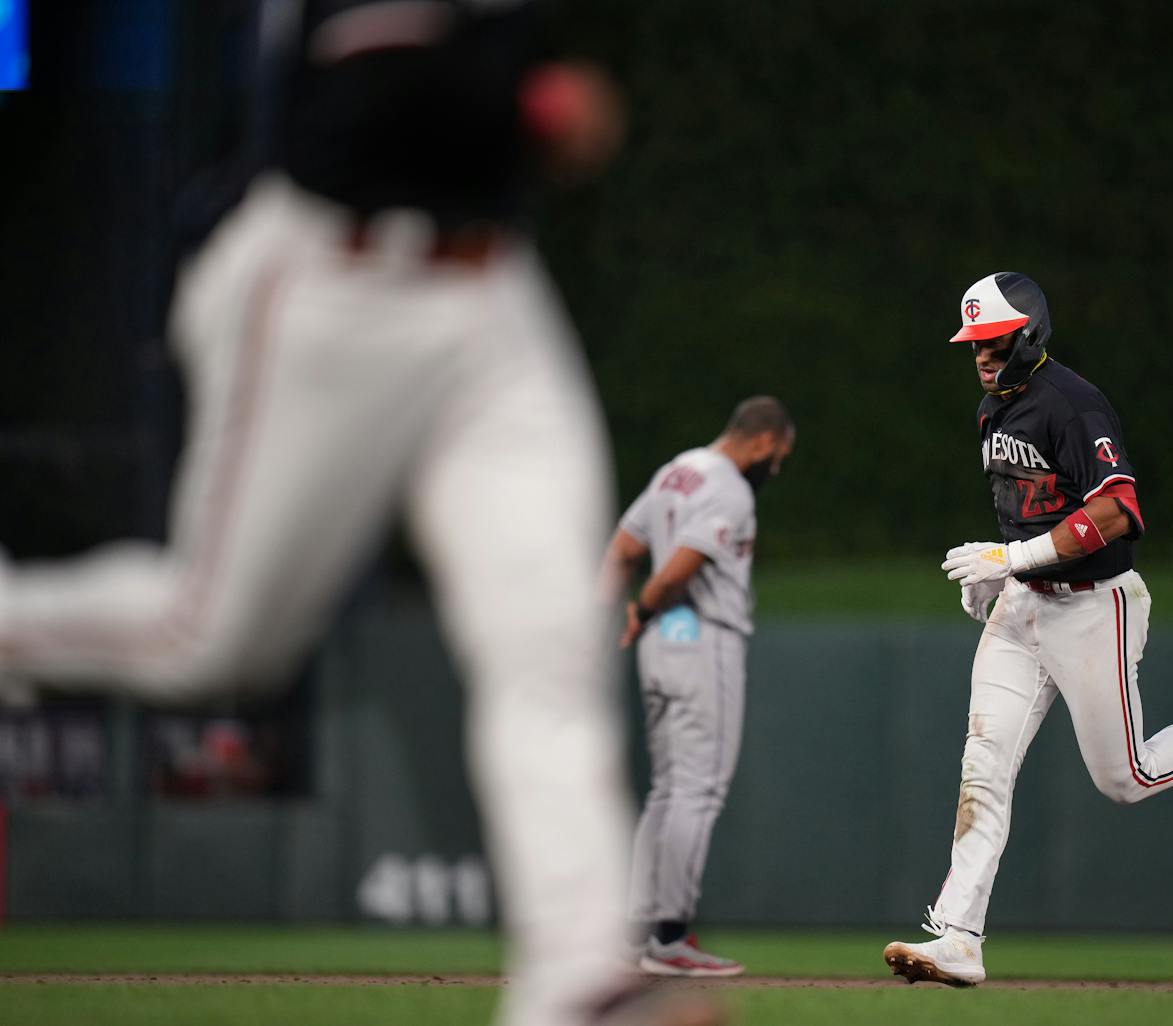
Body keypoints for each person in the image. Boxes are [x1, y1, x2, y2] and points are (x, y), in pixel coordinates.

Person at [0, 3, 698, 1024]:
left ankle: (576, 985)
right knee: (211, 643)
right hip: (331, 284)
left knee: (549, 642)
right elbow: (358, 86)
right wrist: (529, 104)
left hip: (492, 301)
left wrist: (526, 92)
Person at [883, 272, 1173, 987]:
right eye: (974, 345)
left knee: (1127, 778)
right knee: (982, 769)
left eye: (994, 343)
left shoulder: (1074, 403)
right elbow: (1028, 508)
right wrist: (1005, 570)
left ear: (1028, 335)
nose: (983, 358)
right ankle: (959, 937)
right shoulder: (992, 410)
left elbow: (1116, 510)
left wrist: (1016, 555)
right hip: (1023, 608)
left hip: (1094, 607)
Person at [600, 396, 795, 978]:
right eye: (778, 455)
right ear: (762, 441)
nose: (775, 467)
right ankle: (668, 937)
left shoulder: (675, 470)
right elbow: (680, 564)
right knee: (697, 790)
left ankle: (634, 933)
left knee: (667, 790)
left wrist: (614, 615)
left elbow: (622, 548)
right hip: (702, 637)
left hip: (662, 640)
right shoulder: (731, 486)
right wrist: (644, 603)